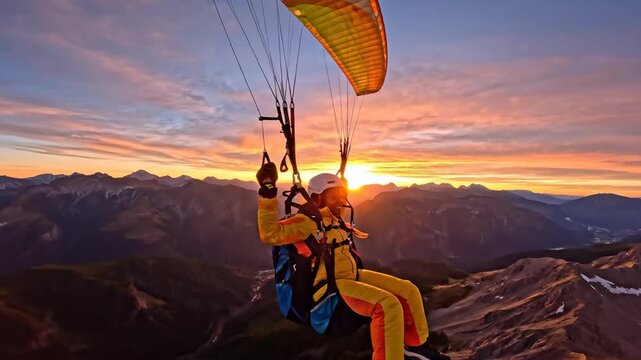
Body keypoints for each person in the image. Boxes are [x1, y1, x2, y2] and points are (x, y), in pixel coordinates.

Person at [256, 162, 450, 360]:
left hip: (352, 276)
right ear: (317, 198)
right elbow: (270, 234)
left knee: (409, 290)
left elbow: (335, 206)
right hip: (331, 288)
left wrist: (340, 183)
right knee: (387, 305)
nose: (341, 201)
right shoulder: (306, 222)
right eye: (334, 196)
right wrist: (268, 190)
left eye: (343, 195)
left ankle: (417, 348)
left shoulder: (335, 218)